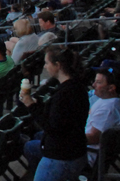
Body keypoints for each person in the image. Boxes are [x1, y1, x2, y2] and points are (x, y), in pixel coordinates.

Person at [20, 46, 89, 181]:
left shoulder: (64, 94)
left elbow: (52, 127)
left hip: (60, 158)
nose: (45, 67)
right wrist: (36, 104)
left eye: (47, 63)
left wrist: (31, 105)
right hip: (75, 152)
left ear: (57, 65)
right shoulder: (77, 87)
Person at [85, 59, 120, 167]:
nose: (93, 84)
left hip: (86, 155)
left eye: (99, 82)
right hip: (82, 149)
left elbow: (92, 138)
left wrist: (64, 138)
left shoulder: (108, 108)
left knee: (34, 147)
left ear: (111, 88)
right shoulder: (105, 100)